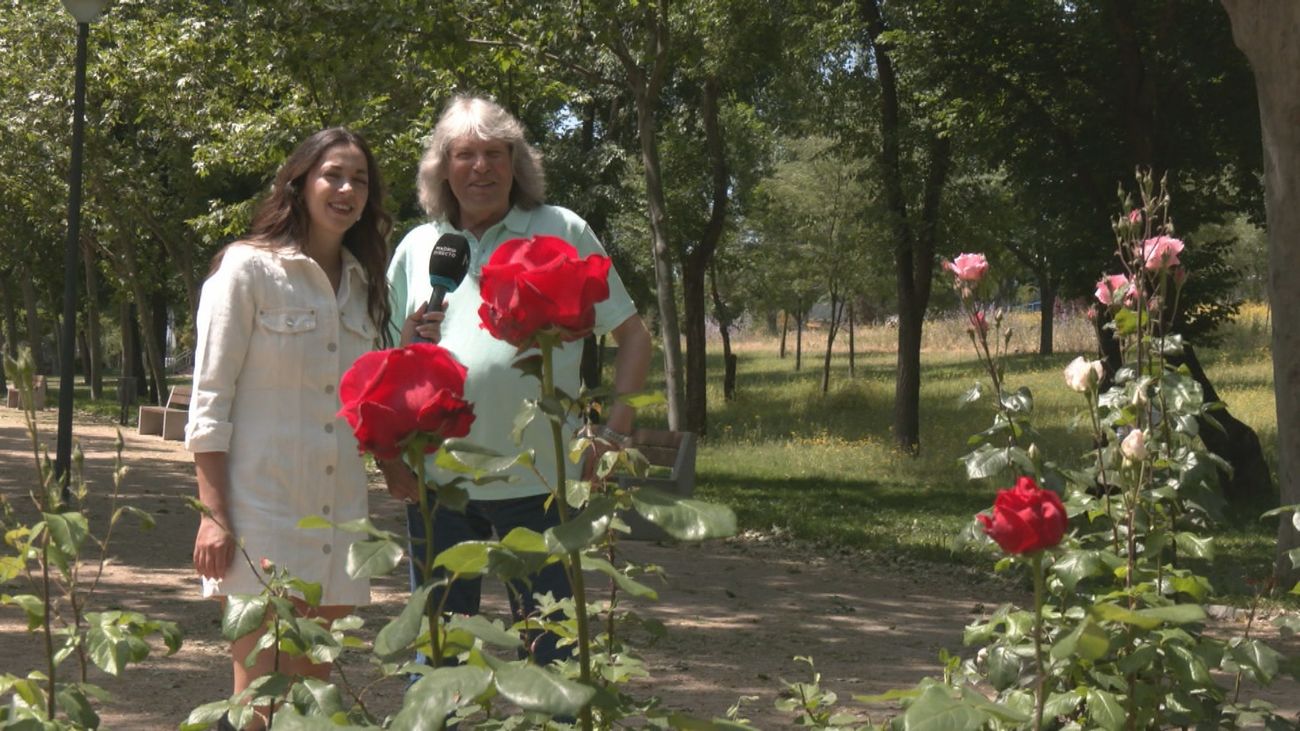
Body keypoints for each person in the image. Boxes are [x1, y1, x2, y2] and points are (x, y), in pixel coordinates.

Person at [383, 94, 653, 667]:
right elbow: (379, 366)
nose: (481, 167)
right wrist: (405, 349)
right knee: (439, 660)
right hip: (440, 488)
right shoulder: (416, 247)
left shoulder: (560, 229)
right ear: (442, 168)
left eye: (495, 153)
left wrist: (612, 437)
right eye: (465, 154)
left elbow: (633, 338)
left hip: (542, 484)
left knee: (554, 658)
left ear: (516, 163)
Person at [185, 128, 396, 727]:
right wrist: (214, 513)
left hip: (336, 513)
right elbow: (211, 399)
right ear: (300, 182)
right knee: (258, 697)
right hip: (263, 517)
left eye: (360, 179)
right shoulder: (246, 270)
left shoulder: (364, 287)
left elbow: (362, 403)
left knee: (314, 700)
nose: (347, 188)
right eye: (333, 174)